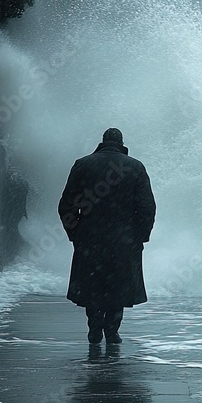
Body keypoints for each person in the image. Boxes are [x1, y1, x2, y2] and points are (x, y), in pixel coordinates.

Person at [58, 128, 156, 344]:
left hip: (90, 237)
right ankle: (112, 330)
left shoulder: (83, 164)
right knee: (117, 285)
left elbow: (66, 205)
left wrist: (75, 233)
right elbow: (147, 207)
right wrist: (140, 237)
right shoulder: (135, 167)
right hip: (124, 239)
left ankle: (94, 328)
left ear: (103, 142)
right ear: (121, 143)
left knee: (93, 284)